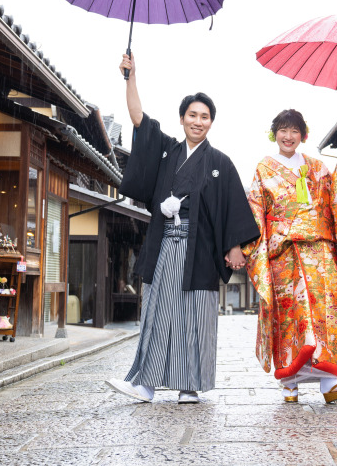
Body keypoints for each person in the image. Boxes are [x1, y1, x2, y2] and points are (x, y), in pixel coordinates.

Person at [105, 54, 259, 404]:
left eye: (205, 117)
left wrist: (235, 245)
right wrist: (131, 77)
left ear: (211, 123)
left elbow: (235, 205)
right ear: (182, 118)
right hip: (166, 244)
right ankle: (145, 384)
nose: (198, 121)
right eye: (193, 115)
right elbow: (139, 119)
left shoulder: (220, 162)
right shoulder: (167, 152)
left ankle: (190, 385)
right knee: (157, 310)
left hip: (200, 250)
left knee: (195, 315)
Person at [243, 109, 337, 404]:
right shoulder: (264, 169)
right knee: (290, 316)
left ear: (303, 136)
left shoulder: (318, 167)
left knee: (327, 310)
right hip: (284, 253)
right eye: (283, 130)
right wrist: (254, 249)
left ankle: (329, 383)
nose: (288, 136)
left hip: (319, 251)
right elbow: (256, 211)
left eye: (295, 131)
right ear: (274, 134)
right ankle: (289, 383)